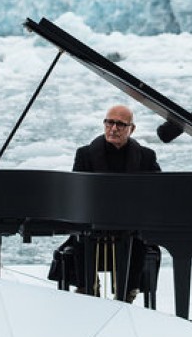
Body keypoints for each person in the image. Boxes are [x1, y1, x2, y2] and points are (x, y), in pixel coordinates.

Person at [48, 104, 160, 302]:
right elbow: (76, 195)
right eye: (109, 122)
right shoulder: (84, 154)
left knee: (139, 241)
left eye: (120, 124)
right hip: (94, 227)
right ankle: (88, 290)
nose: (113, 128)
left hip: (130, 228)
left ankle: (126, 294)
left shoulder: (146, 156)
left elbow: (157, 192)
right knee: (81, 239)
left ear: (131, 129)